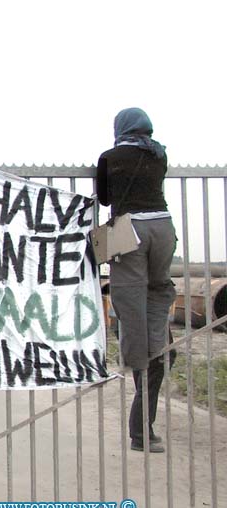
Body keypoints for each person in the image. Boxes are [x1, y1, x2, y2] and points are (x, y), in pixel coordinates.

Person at [95, 107, 177, 453]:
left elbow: (105, 198)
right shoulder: (159, 154)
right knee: (159, 292)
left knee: (129, 305)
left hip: (129, 231)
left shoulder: (110, 157)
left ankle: (142, 356)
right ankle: (159, 346)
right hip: (163, 228)